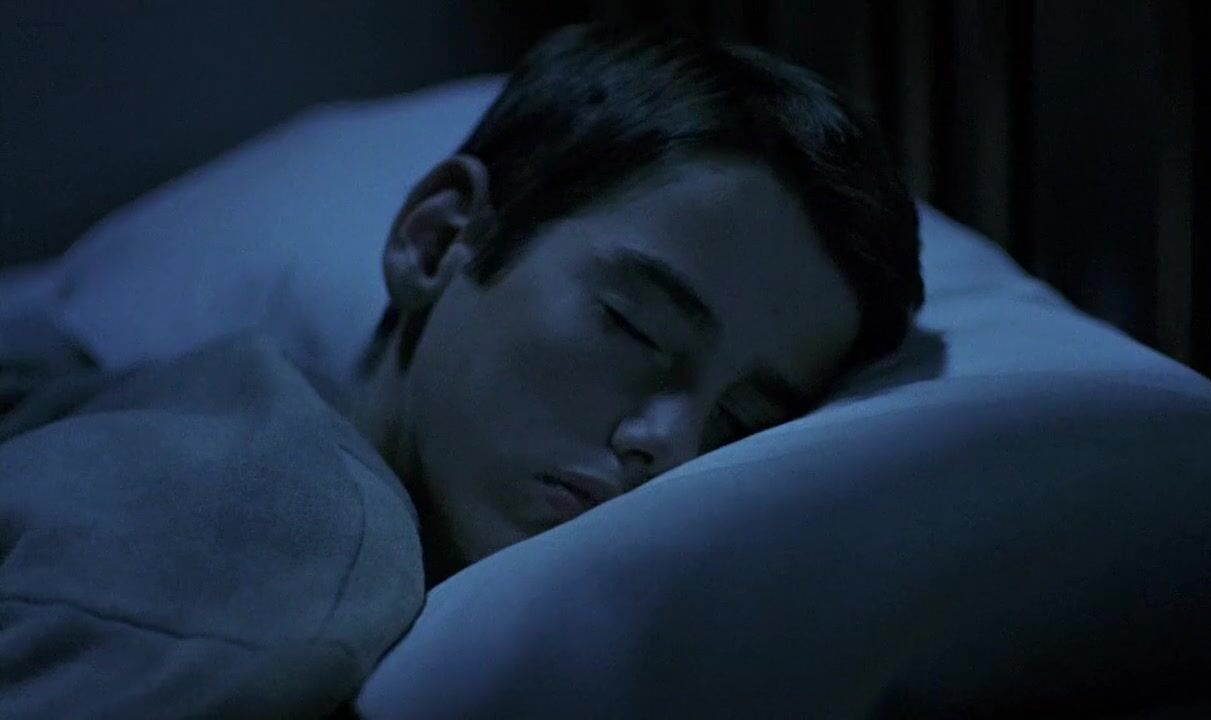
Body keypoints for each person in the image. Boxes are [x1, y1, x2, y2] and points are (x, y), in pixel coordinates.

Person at [0, 22, 922, 719]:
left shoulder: (195, 390)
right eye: (633, 326)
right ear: (439, 239)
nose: (671, 443)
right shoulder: (292, 555)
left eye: (743, 420)